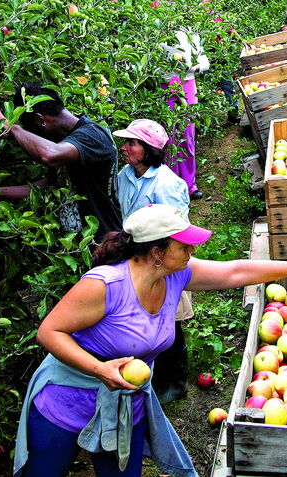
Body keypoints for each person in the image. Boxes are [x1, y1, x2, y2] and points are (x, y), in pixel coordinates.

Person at [12, 203, 287, 477]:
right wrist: (99, 369)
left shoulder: (176, 273)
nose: (191, 252)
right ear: (156, 252)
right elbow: (49, 331)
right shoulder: (105, 285)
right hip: (68, 397)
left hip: (125, 398)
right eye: (184, 246)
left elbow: (234, 272)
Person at [0, 82, 122, 241]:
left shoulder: (93, 135)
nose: (33, 135)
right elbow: (53, 183)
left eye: (31, 129)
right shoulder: (68, 141)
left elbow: (49, 155)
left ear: (41, 120)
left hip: (104, 244)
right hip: (78, 246)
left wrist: (14, 129)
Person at [112, 119, 191, 405]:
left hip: (163, 257)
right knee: (142, 313)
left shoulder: (167, 184)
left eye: (132, 143)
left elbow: (176, 230)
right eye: (126, 142)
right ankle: (152, 374)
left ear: (148, 150)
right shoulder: (123, 176)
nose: (125, 147)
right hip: (137, 257)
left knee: (170, 317)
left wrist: (166, 263)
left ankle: (176, 381)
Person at [159, 29, 208, 201]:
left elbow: (204, 60)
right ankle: (171, 186)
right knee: (169, 137)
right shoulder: (157, 32)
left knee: (187, 136)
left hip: (187, 83)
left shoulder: (189, 35)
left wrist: (193, 67)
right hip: (165, 86)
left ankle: (188, 185)